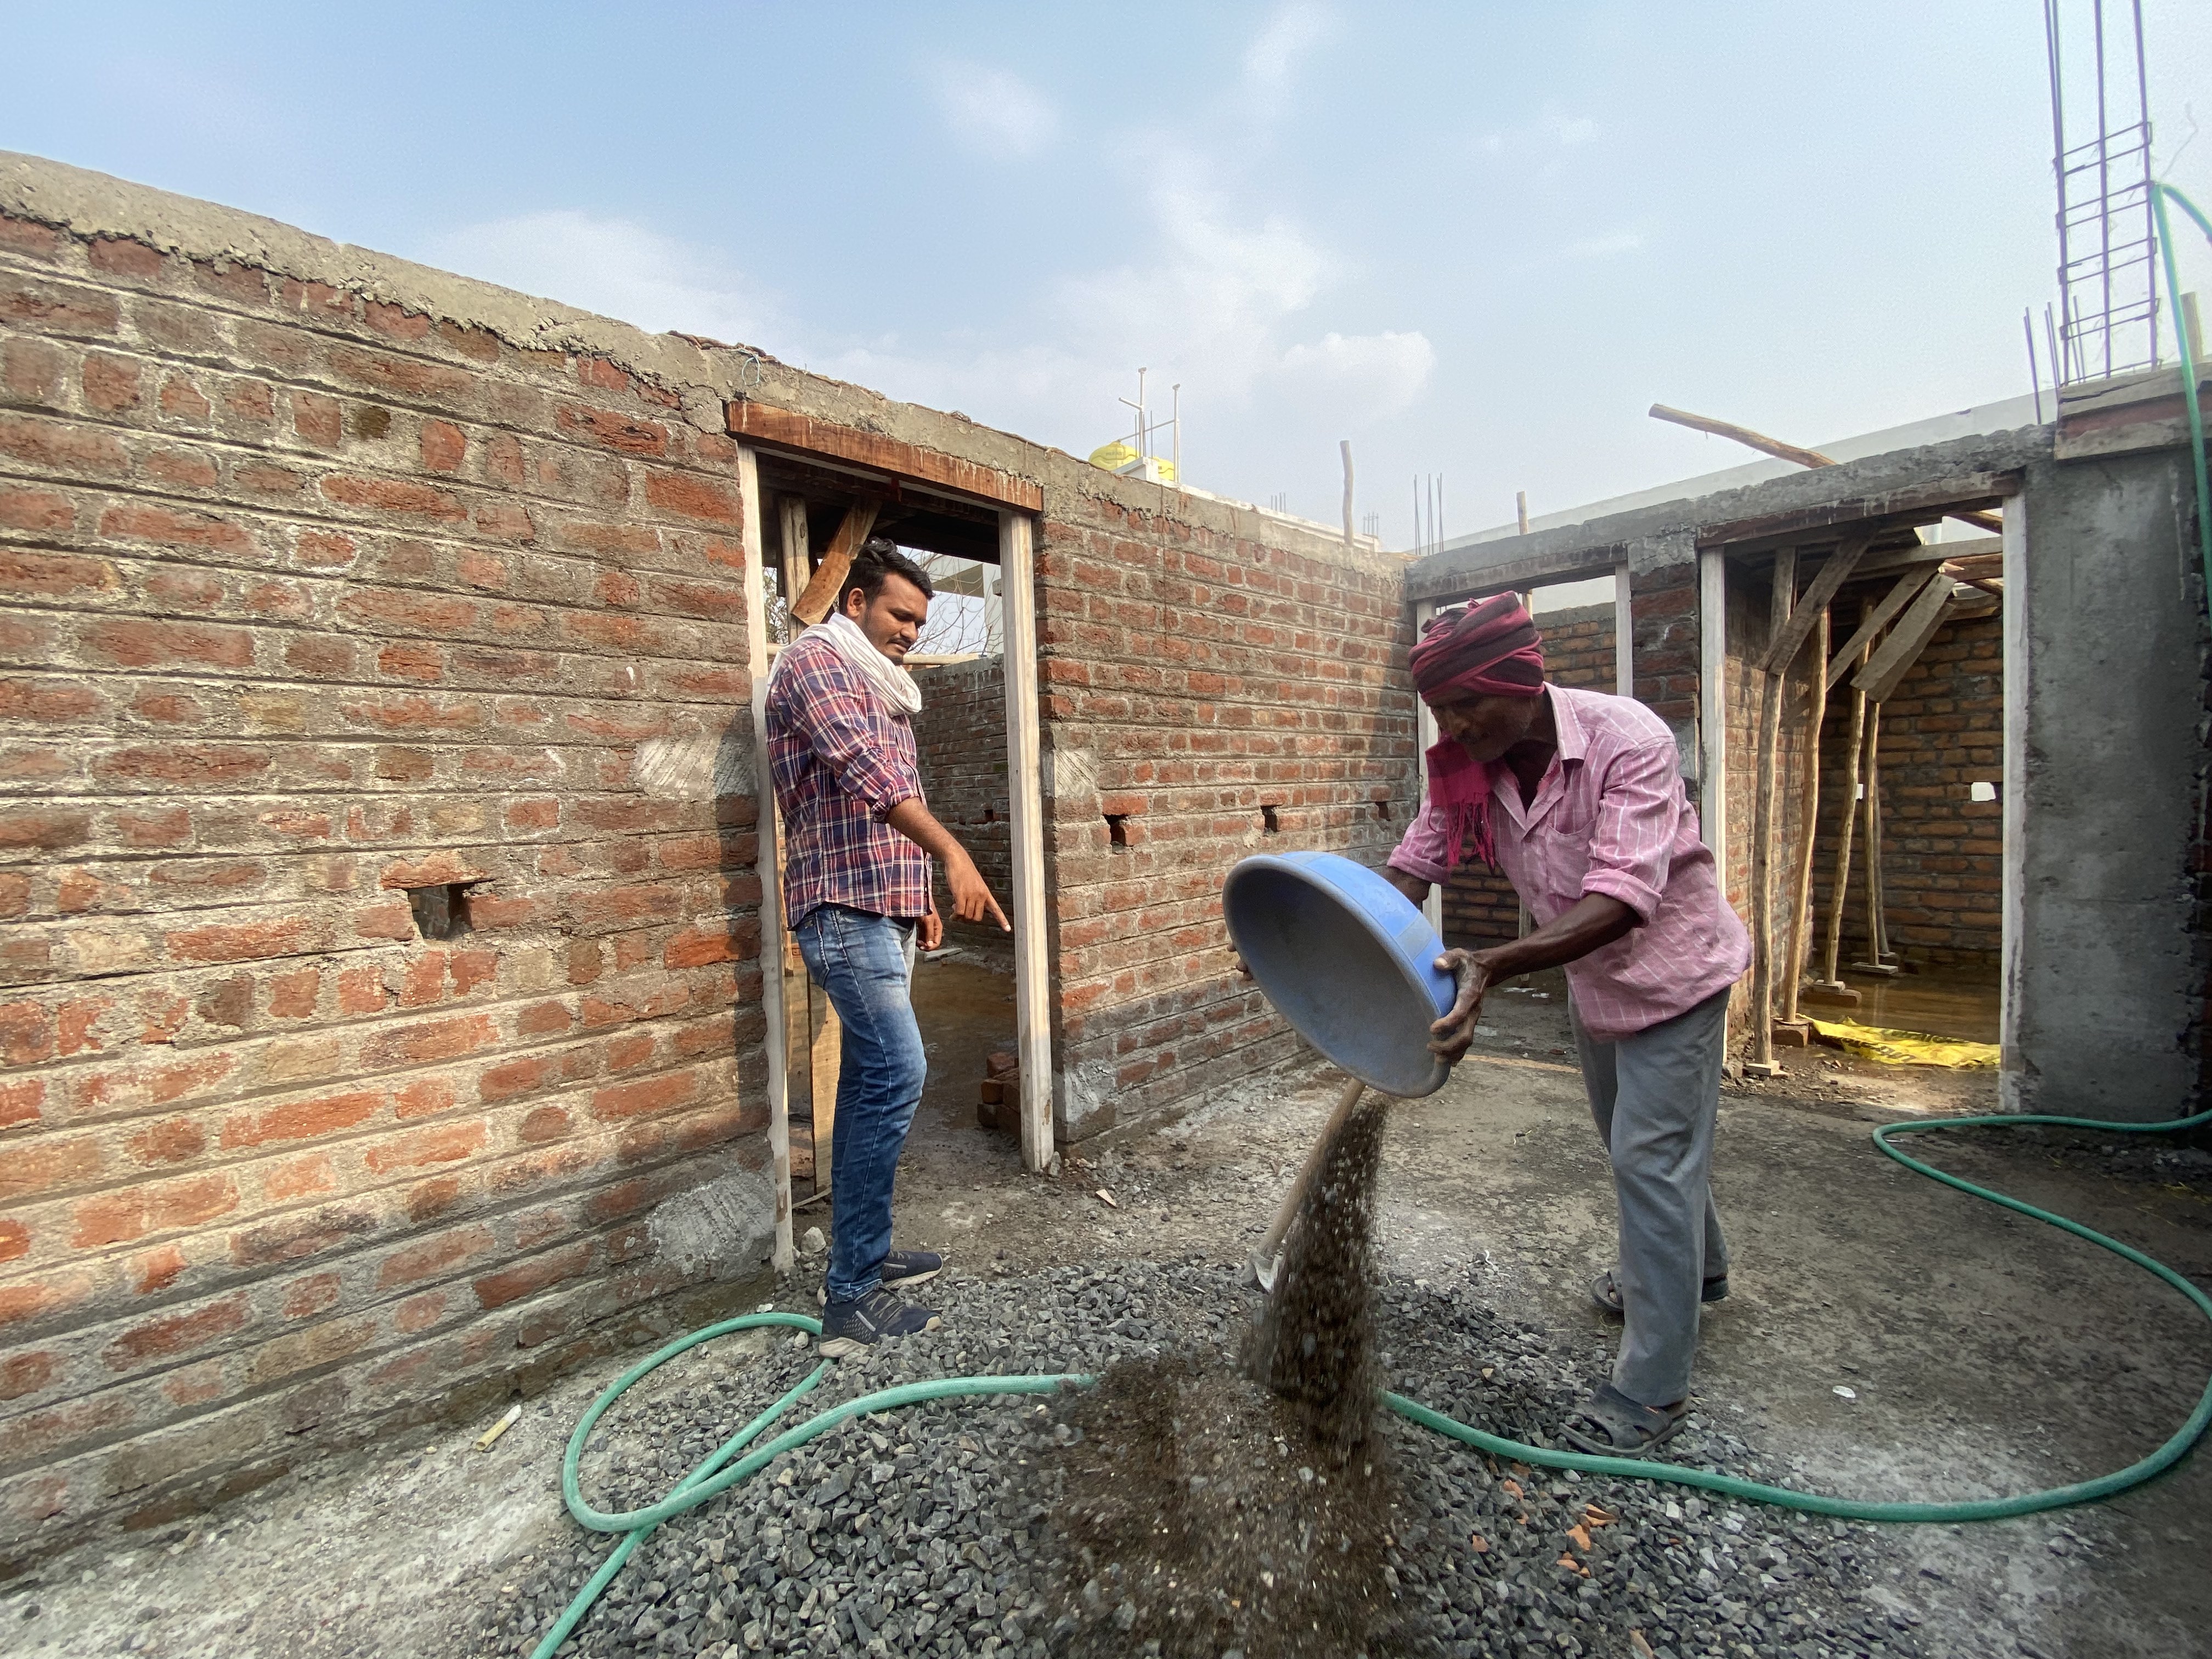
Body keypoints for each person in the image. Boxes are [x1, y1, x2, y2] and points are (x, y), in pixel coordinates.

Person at [1383, 592, 1750, 1453]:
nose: (1457, 723)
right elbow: (1416, 863)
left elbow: (1625, 897)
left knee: (1650, 1157)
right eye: (1442, 709)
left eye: (1468, 702)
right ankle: (1700, 1267)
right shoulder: (1466, 763)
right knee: (1643, 1148)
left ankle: (1650, 1394)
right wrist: (1330, 937)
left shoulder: (1630, 740)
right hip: (1593, 982)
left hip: (1677, 976)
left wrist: (1494, 965)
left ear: (1521, 680)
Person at [764, 539, 1009, 1358]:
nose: (911, 631)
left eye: (921, 620)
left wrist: (920, 902)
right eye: (900, 614)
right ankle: (850, 1300)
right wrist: (955, 854)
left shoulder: (883, 685)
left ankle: (866, 1254)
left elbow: (889, 806)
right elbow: (873, 780)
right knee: (899, 1072)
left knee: (873, 1080)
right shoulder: (817, 665)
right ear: (856, 603)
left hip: (882, 909)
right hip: (840, 909)